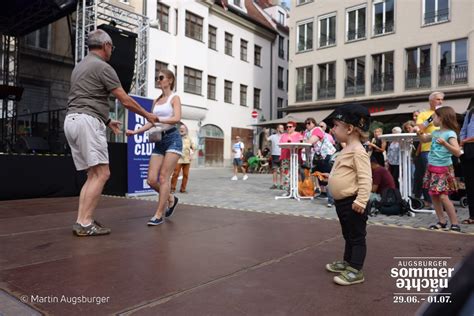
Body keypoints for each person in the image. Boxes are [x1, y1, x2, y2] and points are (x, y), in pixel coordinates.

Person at [64, 29, 157, 236]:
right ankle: (86, 223)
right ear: (106, 46)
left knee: (92, 174)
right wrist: (147, 115)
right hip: (87, 122)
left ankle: (82, 220)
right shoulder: (103, 67)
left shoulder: (80, 66)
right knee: (102, 173)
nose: (112, 51)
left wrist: (107, 121)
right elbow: (125, 100)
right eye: (111, 47)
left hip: (72, 120)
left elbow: (86, 96)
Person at [126, 69, 182, 226]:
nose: (158, 80)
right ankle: (171, 198)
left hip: (172, 139)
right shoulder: (156, 101)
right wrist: (135, 131)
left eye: (161, 78)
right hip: (159, 141)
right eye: (157, 78)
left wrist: (159, 118)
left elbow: (177, 118)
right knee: (151, 180)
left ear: (170, 80)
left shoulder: (174, 98)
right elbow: (151, 121)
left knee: (164, 178)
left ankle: (158, 214)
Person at [326, 104, 371, 286]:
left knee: (357, 236)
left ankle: (356, 269)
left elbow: (365, 178)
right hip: (343, 202)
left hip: (354, 202)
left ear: (350, 128)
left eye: (336, 125)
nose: (333, 129)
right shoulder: (346, 149)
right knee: (348, 234)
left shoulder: (358, 151)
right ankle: (347, 262)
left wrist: (361, 200)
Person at [417, 106, 461, 232]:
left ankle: (455, 223)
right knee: (434, 196)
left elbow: (457, 152)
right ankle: (442, 221)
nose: (433, 119)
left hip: (442, 168)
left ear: (441, 118)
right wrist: (419, 133)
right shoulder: (436, 132)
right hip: (432, 167)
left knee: (443, 196)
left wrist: (445, 144)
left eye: (435, 116)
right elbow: (424, 139)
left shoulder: (450, 133)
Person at [413, 91, 444, 208]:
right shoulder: (424, 114)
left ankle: (441, 201)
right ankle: (430, 201)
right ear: (431, 101)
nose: (440, 101)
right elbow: (419, 128)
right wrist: (432, 118)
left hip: (443, 148)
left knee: (441, 175)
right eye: (437, 99)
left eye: (441, 99)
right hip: (427, 149)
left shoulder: (443, 113)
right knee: (429, 176)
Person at [171, 124, 195, 193]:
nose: (181, 129)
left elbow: (193, 147)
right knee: (175, 174)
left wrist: (191, 155)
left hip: (187, 160)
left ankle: (183, 189)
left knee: (186, 175)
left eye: (183, 128)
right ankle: (172, 188)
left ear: (186, 130)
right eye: (181, 128)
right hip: (178, 158)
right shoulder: (176, 137)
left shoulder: (189, 138)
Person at [279, 121, 303, 191]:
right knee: (286, 174)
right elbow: (280, 144)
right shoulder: (284, 135)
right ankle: (287, 190)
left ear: (294, 127)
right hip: (285, 156)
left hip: (295, 156)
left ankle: (296, 190)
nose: (288, 128)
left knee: (295, 173)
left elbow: (301, 145)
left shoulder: (299, 135)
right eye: (287, 127)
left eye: (290, 127)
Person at [460, 107, 474, 225]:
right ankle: (472, 216)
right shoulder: (470, 113)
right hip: (469, 149)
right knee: (470, 184)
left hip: (468, 143)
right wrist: (461, 143)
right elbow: (463, 131)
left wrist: (465, 141)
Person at [267, 124, 284, 189]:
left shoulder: (284, 136)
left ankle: (282, 184)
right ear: (277, 129)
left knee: (282, 170)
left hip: (282, 154)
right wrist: (266, 133)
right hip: (274, 154)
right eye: (281, 128)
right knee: (274, 170)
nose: (282, 129)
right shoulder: (273, 136)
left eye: (282, 128)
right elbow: (267, 140)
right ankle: (275, 184)